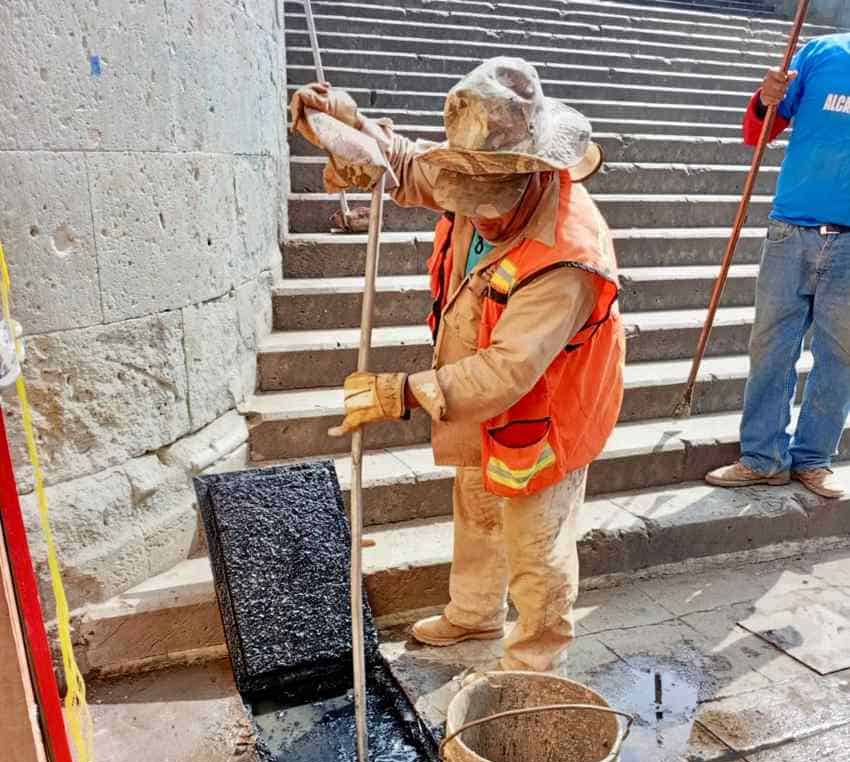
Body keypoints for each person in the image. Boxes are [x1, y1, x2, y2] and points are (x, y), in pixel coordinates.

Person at [291, 58, 624, 673]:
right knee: (475, 504)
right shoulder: (476, 174)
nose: (480, 214)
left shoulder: (568, 256)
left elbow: (506, 373)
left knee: (536, 543)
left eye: (491, 202)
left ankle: (534, 662)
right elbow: (403, 163)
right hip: (477, 391)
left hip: (547, 410)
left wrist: (402, 392)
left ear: (533, 170)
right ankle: (474, 613)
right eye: (471, 196)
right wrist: (350, 126)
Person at [706, 33, 850, 499]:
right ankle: (761, 458)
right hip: (791, 230)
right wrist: (765, 98)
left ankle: (813, 459)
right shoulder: (821, 53)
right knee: (770, 346)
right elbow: (758, 133)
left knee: (841, 356)